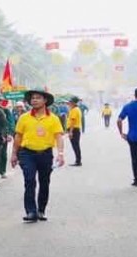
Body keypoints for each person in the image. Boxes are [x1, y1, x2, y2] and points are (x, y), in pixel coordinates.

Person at [11, 90, 65, 223]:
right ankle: (31, 211)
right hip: (27, 153)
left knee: (44, 182)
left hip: (45, 154)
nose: (34, 100)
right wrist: (14, 154)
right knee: (29, 181)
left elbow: (58, 136)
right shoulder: (24, 117)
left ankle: (41, 210)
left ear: (45, 100)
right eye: (33, 98)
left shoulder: (53, 118)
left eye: (38, 98)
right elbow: (18, 136)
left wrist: (61, 153)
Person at [66, 97, 83, 166]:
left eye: (70, 102)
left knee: (75, 146)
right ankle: (78, 160)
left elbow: (73, 121)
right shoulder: (76, 109)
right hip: (75, 129)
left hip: (74, 130)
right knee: (76, 146)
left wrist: (70, 132)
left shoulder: (74, 110)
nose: (69, 104)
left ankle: (78, 161)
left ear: (73, 103)